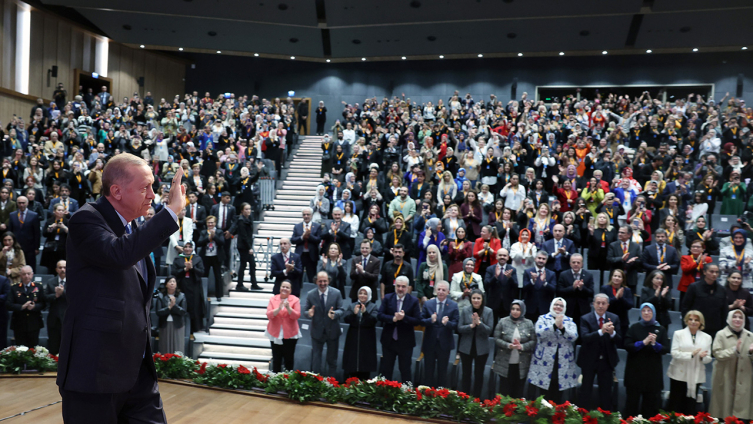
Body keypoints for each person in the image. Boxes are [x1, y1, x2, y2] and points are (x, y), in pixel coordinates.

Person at [57, 153, 184, 424]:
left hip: (136, 374)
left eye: (153, 186)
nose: (152, 194)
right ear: (116, 191)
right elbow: (119, 255)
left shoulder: (134, 225)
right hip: (94, 375)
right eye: (144, 187)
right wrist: (170, 213)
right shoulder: (85, 220)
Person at [527, 297, 578, 403]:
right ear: (551, 305)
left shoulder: (569, 321)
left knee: (558, 394)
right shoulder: (543, 318)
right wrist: (554, 326)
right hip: (544, 361)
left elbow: (574, 336)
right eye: (556, 304)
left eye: (561, 305)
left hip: (562, 362)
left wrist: (562, 328)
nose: (558, 307)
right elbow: (539, 333)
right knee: (543, 394)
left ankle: (556, 417)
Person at [623, 303, 670, 418]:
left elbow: (666, 349)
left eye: (649, 310)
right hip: (634, 373)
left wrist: (654, 344)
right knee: (631, 406)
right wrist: (643, 343)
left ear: (653, 313)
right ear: (640, 312)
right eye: (644, 310)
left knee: (650, 408)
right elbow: (627, 346)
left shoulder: (661, 329)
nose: (646, 313)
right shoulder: (634, 327)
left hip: (652, 375)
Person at [577, 293, 621, 411]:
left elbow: (620, 341)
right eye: (598, 303)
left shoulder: (615, 318)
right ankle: (582, 417)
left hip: (607, 361)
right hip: (588, 360)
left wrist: (612, 333)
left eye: (603, 303)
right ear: (593, 304)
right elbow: (585, 338)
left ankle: (605, 418)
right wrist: (601, 331)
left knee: (606, 393)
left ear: (608, 305)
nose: (600, 306)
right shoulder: (585, 318)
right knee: (585, 391)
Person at [709, 309, 753, 420]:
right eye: (735, 317)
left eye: (740, 317)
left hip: (744, 377)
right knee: (723, 408)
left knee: (741, 412)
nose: (737, 319)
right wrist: (734, 350)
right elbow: (717, 353)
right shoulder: (721, 334)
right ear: (729, 319)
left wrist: (751, 353)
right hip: (725, 376)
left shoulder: (750, 336)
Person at [667, 310, 713, 414]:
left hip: (695, 375)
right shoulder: (678, 334)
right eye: (691, 319)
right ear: (686, 321)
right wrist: (691, 355)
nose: (693, 322)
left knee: (690, 406)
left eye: (696, 320)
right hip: (678, 374)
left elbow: (708, 358)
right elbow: (674, 353)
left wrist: (702, 357)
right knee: (675, 404)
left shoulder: (707, 337)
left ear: (701, 322)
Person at [377, 275, 421, 383]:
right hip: (389, 341)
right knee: (386, 370)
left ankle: (407, 395)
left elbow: (417, 320)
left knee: (405, 370)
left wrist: (404, 318)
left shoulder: (413, 301)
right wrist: (393, 318)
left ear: (408, 288)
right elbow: (380, 315)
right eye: (398, 286)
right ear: (394, 286)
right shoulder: (388, 298)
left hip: (405, 342)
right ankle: (385, 394)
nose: (400, 289)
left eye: (403, 286)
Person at [303, 271, 343, 377]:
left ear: (329, 281)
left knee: (332, 359)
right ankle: (316, 382)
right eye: (320, 281)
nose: (322, 283)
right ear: (316, 281)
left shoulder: (337, 293)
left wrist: (335, 314)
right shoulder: (310, 294)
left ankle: (331, 383)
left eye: (325, 281)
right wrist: (309, 313)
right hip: (317, 332)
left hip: (333, 331)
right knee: (316, 360)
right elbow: (306, 311)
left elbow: (342, 309)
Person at [420, 281, 459, 389]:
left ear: (448, 292)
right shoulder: (428, 304)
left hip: (444, 344)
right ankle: (427, 397)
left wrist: (447, 323)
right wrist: (430, 320)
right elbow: (421, 321)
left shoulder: (453, 305)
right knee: (428, 372)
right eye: (439, 289)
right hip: (430, 343)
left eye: (443, 290)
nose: (441, 292)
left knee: (442, 372)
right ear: (435, 290)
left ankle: (440, 398)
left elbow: (456, 325)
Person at [493, 300, 535, 399]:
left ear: (523, 310)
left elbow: (533, 341)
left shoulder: (529, 323)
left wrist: (522, 346)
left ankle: (516, 413)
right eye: (513, 309)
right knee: (504, 390)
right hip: (504, 362)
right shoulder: (503, 321)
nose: (515, 311)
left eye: (518, 309)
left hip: (522, 363)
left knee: (518, 391)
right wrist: (508, 345)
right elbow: (496, 338)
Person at [457, 289, 494, 398]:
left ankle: (476, 400)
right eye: (474, 298)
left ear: (482, 299)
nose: (476, 300)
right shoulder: (465, 310)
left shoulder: (488, 311)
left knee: (479, 376)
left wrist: (479, 323)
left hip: (481, 349)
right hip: (466, 348)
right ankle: (465, 398)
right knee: (466, 375)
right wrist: (471, 326)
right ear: (470, 299)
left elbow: (489, 331)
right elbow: (459, 328)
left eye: (478, 298)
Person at [342, 286, 378, 380]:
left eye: (365, 294)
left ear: (369, 295)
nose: (362, 295)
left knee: (365, 366)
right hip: (353, 339)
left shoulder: (373, 306)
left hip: (367, 340)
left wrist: (365, 313)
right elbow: (346, 319)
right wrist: (354, 314)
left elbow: (373, 321)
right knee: (351, 364)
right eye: (360, 293)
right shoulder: (352, 305)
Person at [682, 264, 728, 339]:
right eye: (711, 271)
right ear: (704, 272)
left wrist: (723, 329)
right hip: (697, 327)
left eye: (716, 272)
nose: (714, 274)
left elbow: (724, 311)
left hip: (715, 329)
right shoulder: (694, 287)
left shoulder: (722, 290)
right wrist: (687, 325)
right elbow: (685, 307)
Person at [266, 280, 301, 373]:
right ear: (280, 288)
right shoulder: (273, 299)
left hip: (290, 333)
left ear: (290, 290)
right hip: (275, 332)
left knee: (288, 359)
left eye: (287, 287)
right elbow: (269, 314)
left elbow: (297, 315)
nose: (284, 289)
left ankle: (288, 380)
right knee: (276, 358)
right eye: (283, 286)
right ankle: (275, 380)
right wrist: (278, 309)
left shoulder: (295, 300)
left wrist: (289, 308)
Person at [172, 241, 205, 334]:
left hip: (194, 286)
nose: (187, 249)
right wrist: (184, 270)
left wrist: (192, 268)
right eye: (185, 247)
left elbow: (202, 272)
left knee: (194, 307)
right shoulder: (178, 259)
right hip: (182, 285)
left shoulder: (197, 258)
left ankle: (194, 329)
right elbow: (173, 273)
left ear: (193, 248)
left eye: (189, 247)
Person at [6, 266, 43, 347]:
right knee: (20, 349)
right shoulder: (14, 288)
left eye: (28, 274)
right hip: (19, 323)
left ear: (32, 274)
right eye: (24, 274)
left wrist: (34, 307)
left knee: (33, 348)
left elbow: (43, 304)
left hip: (34, 322)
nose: (26, 276)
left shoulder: (38, 287)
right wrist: (21, 307)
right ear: (20, 275)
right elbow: (8, 304)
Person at [556, 253, 594, 328]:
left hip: (583, 310)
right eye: (573, 262)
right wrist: (572, 288)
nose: (576, 264)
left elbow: (591, 293)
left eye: (578, 262)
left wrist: (582, 288)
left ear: (582, 264)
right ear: (570, 263)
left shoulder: (588, 275)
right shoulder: (563, 275)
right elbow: (559, 292)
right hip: (568, 309)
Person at [195, 215, 226, 301]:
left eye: (212, 222)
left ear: (215, 223)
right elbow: (199, 242)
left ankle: (219, 295)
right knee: (204, 276)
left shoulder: (219, 232)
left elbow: (222, 242)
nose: (210, 224)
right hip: (206, 257)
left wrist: (214, 236)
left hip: (216, 257)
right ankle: (203, 294)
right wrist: (208, 238)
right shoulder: (204, 232)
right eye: (209, 222)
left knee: (218, 276)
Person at [484, 248, 518, 324]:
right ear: (496, 257)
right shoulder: (490, 269)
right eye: (500, 255)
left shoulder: (512, 269)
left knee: (505, 326)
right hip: (493, 303)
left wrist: (510, 278)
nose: (502, 257)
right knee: (492, 325)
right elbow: (486, 284)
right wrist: (495, 277)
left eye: (504, 255)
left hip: (507, 303)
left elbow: (516, 286)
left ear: (508, 257)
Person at [155, 276, 187, 354]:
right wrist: (169, 308)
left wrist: (174, 306)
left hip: (177, 325)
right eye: (170, 282)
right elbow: (158, 312)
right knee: (165, 346)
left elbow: (183, 312)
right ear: (166, 285)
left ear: (176, 284)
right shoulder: (161, 296)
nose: (172, 283)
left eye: (173, 282)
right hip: (164, 324)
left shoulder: (181, 296)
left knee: (177, 346)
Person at [7, 196, 40, 272]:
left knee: (30, 266)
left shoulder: (34, 215)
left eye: (23, 203)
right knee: (16, 266)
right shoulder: (12, 215)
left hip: (30, 246)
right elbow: (10, 231)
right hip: (16, 245)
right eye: (19, 203)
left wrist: (36, 247)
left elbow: (37, 233)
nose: (21, 205)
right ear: (17, 204)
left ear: (27, 203)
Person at [522, 251, 557, 321]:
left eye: (543, 259)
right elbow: (524, 289)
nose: (541, 260)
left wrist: (545, 282)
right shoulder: (528, 272)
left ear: (546, 261)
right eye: (539, 258)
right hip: (530, 307)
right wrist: (532, 281)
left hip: (544, 308)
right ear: (535, 259)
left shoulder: (551, 274)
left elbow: (554, 289)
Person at [600, 269, 634, 339]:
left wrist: (621, 298)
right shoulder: (605, 288)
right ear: (611, 277)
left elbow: (630, 305)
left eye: (619, 276)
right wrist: (615, 298)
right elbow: (604, 304)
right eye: (615, 276)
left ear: (622, 279)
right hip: (608, 319)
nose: (616, 278)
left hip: (622, 321)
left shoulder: (627, 290)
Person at [291, 207, 322, 285]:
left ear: (311, 215)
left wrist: (309, 235)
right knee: (298, 277)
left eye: (308, 214)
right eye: (304, 214)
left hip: (311, 256)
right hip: (300, 255)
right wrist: (302, 237)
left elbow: (318, 240)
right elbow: (293, 240)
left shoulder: (317, 226)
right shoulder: (297, 226)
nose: (306, 216)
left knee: (312, 277)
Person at [607, 225, 642, 292]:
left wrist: (633, 261)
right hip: (616, 278)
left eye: (622, 232)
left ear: (629, 235)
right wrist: (621, 259)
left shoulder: (636, 246)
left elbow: (640, 261)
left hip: (630, 278)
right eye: (619, 232)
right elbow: (609, 260)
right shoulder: (613, 245)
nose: (619, 234)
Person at [42, 260, 67, 355]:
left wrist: (62, 293)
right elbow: (45, 297)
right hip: (53, 319)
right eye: (60, 267)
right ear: (56, 269)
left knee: (66, 346)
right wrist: (55, 295)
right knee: (53, 345)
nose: (62, 269)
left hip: (67, 318)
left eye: (64, 267)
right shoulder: (50, 282)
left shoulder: (74, 282)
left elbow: (76, 297)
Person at [679, 240, 713, 304]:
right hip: (687, 287)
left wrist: (704, 265)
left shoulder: (707, 259)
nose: (695, 248)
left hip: (702, 287)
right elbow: (685, 269)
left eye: (698, 247)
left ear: (703, 249)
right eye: (693, 246)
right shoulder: (685, 258)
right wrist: (697, 262)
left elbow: (709, 273)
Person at [234, 202, 258, 291]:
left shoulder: (249, 218)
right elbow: (244, 236)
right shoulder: (241, 221)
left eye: (249, 209)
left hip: (247, 245)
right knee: (245, 265)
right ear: (242, 211)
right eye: (246, 209)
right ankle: (240, 284)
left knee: (250, 264)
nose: (248, 211)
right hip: (243, 246)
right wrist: (249, 248)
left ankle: (252, 284)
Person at [41, 204, 69, 272]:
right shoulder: (50, 221)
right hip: (51, 247)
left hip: (63, 248)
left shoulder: (67, 221)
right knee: (51, 267)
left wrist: (64, 227)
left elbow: (72, 235)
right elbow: (44, 234)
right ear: (54, 211)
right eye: (59, 210)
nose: (60, 212)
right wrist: (50, 228)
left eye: (62, 210)